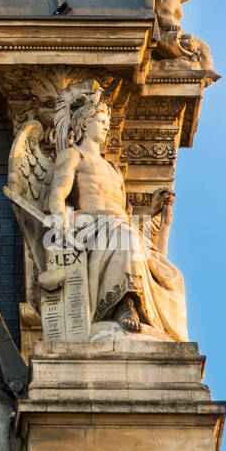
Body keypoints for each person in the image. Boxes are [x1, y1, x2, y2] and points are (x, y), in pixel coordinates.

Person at [46, 91, 186, 339]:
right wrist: (61, 229)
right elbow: (59, 192)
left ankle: (157, 324)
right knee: (123, 235)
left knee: (172, 276)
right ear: (84, 123)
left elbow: (125, 213)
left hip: (118, 224)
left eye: (108, 123)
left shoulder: (112, 168)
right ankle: (125, 303)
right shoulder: (74, 156)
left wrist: (152, 210)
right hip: (89, 223)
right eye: (101, 121)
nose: (106, 127)